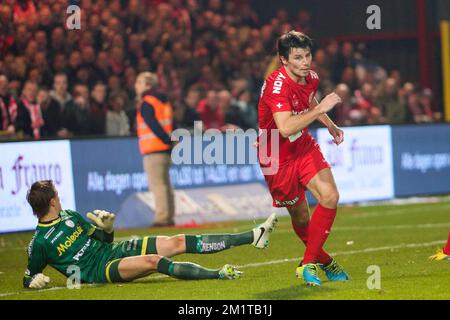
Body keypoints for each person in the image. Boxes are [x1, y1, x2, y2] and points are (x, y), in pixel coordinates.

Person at [23, 180, 278, 289]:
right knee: (154, 261)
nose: (59, 196)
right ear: (52, 201)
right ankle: (218, 274)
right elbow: (28, 276)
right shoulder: (40, 242)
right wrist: (33, 281)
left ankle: (254, 235)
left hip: (111, 251)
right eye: (56, 194)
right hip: (99, 271)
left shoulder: (70, 216)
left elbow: (104, 241)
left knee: (176, 241)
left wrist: (107, 229)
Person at [257, 30, 349, 286]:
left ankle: (307, 264)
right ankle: (326, 262)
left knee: (330, 196)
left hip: (302, 146)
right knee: (301, 217)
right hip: (275, 154)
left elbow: (308, 98)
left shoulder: (311, 77)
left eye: (307, 55)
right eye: (298, 57)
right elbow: (285, 128)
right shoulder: (277, 86)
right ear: (283, 60)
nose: (305, 62)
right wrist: (321, 109)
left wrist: (328, 124)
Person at [134, 72, 175, 227]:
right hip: (164, 149)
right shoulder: (163, 101)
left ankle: (162, 218)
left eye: (139, 82)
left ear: (148, 85)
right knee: (165, 184)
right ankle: (169, 216)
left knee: (157, 185)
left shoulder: (147, 102)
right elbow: (170, 123)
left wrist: (165, 139)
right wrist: (170, 141)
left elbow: (152, 124)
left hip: (153, 148)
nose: (136, 85)